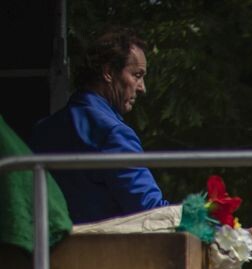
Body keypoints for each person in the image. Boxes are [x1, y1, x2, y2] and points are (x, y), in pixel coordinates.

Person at [30, 31, 163, 224]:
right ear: (108, 72)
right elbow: (151, 212)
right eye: (137, 75)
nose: (142, 87)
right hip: (104, 242)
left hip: (46, 242)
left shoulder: (42, 130)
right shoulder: (113, 133)